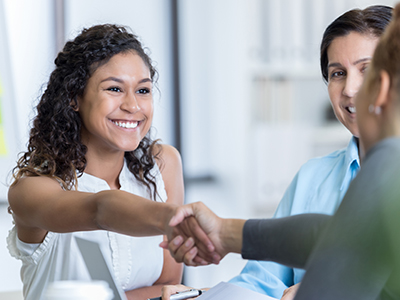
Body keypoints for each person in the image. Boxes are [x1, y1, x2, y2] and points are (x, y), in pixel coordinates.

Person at [166, 2, 400, 298]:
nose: (350, 89)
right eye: (338, 73)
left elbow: (342, 242)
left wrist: (227, 233)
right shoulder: (314, 176)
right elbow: (263, 280)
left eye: (366, 70)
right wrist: (205, 294)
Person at [6, 24, 215, 300]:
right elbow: (99, 209)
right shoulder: (31, 191)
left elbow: (165, 287)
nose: (133, 106)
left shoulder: (163, 165)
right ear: (74, 98)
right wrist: (172, 218)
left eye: (143, 91)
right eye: (115, 89)